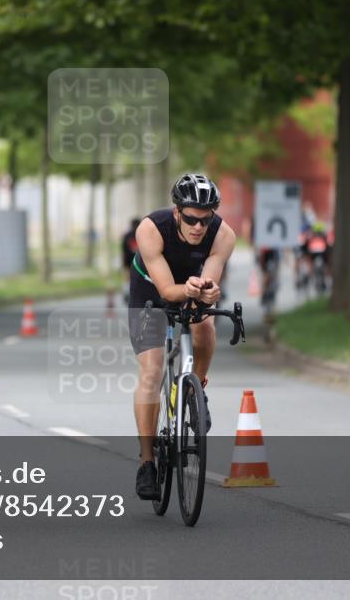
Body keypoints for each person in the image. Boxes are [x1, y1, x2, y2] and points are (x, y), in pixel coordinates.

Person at [128, 173, 236, 500]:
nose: (198, 227)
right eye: (190, 219)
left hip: (190, 286)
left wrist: (207, 291)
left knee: (204, 326)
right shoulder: (150, 229)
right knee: (152, 371)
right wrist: (187, 290)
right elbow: (165, 289)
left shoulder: (224, 235)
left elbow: (207, 284)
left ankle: (195, 391)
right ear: (177, 211)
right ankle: (148, 462)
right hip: (151, 290)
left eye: (206, 220)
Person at [121, 218, 141, 302]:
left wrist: (124, 263)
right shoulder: (142, 234)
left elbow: (123, 250)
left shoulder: (127, 235)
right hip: (140, 261)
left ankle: (127, 293)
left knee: (127, 278)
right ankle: (135, 293)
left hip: (128, 261)